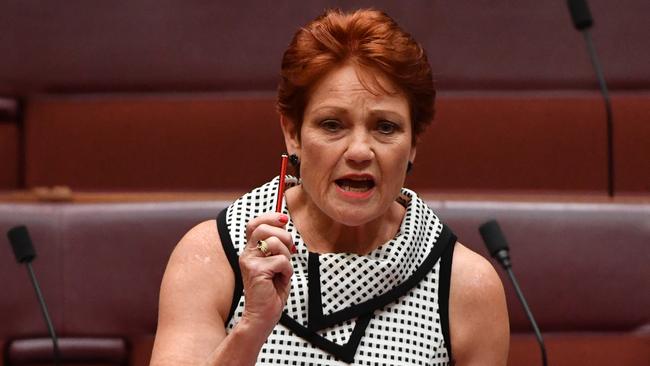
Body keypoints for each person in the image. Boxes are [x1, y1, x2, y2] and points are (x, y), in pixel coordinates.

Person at [150, 8, 509, 366]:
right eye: (333, 124)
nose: (358, 151)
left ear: (413, 142)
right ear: (292, 133)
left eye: (385, 127)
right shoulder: (214, 256)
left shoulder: (465, 286)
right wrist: (252, 327)